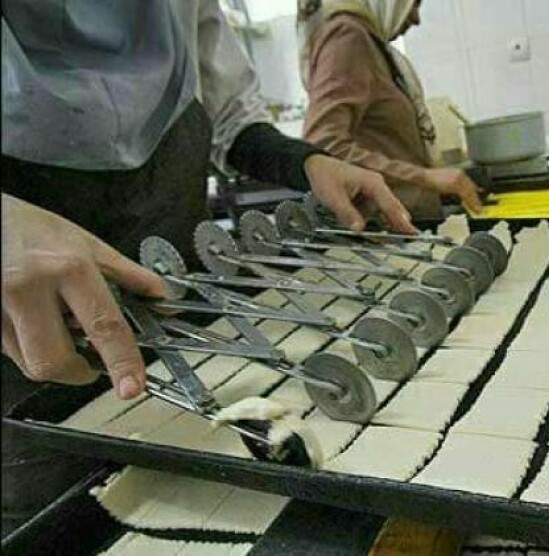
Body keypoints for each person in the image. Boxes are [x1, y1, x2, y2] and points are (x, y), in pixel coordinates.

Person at [0, 0, 415, 535]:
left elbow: (228, 113)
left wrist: (306, 162)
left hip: (182, 308)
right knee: (63, 520)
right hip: (23, 337)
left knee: (213, 503)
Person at [297, 0, 483, 220]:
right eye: (413, 3)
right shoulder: (348, 36)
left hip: (406, 223)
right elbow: (321, 147)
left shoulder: (371, 43)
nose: (415, 18)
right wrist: (425, 177)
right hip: (385, 226)